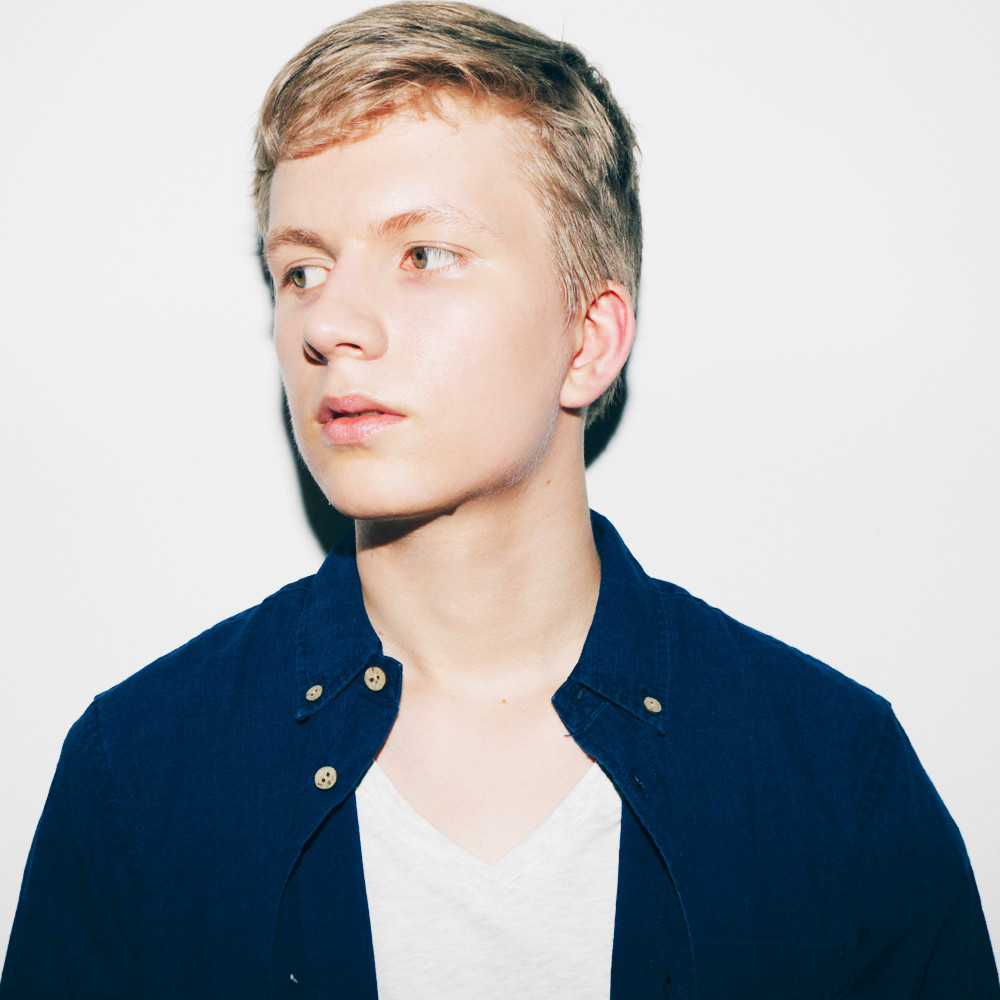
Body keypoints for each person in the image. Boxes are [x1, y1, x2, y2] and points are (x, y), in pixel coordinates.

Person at [2, 2, 997, 997]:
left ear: (588, 341)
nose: (329, 322)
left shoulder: (832, 779)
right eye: (301, 269)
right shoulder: (139, 777)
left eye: (424, 255)